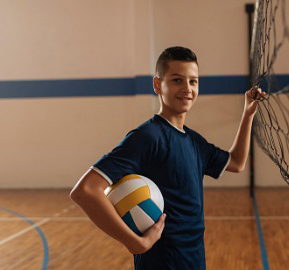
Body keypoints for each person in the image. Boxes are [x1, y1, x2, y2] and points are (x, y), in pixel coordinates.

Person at [70, 46, 264, 270]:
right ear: (157, 85)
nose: (187, 89)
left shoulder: (195, 142)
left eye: (193, 81)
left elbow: (237, 163)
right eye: (177, 80)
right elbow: (86, 191)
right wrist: (135, 243)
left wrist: (248, 113)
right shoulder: (147, 137)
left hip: (194, 261)